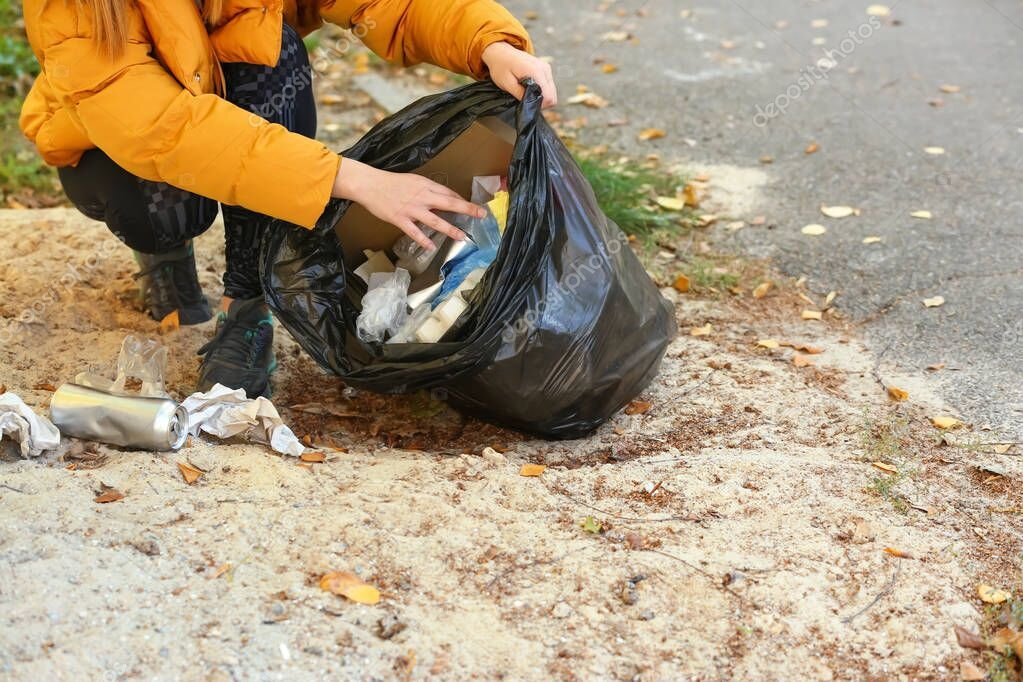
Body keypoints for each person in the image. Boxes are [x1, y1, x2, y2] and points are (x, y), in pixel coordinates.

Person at [19, 0, 557, 398]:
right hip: (114, 139)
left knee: (278, 58)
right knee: (159, 211)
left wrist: (490, 42)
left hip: (229, 93)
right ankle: (164, 252)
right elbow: (158, 130)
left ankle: (246, 307)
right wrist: (354, 180)